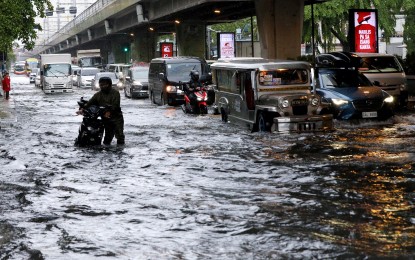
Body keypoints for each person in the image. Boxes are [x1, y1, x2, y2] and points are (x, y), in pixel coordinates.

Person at [77, 77, 125, 145]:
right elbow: (90, 102)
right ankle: (107, 150)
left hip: (116, 118)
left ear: (109, 85)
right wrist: (82, 109)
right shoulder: (98, 95)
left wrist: (109, 111)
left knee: (120, 135)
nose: (102, 87)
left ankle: (120, 150)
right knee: (108, 137)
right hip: (105, 118)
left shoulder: (115, 93)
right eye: (101, 85)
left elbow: (116, 105)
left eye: (104, 85)